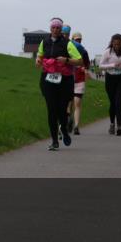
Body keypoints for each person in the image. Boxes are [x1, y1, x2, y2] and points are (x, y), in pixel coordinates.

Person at [36, 18, 82, 151]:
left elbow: (79, 61)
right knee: (51, 110)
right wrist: (38, 61)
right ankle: (54, 141)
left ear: (61, 30)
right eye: (53, 27)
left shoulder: (68, 44)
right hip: (48, 80)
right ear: (50, 29)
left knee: (62, 111)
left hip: (64, 81)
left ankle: (65, 131)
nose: (55, 30)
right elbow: (39, 56)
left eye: (58, 28)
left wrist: (66, 60)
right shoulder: (44, 42)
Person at [97, 34, 121, 135]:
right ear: (112, 43)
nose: (117, 46)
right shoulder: (107, 52)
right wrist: (112, 65)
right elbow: (100, 66)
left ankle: (119, 127)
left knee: (118, 102)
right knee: (113, 103)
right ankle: (112, 124)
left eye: (119, 44)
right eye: (115, 44)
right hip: (110, 79)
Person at [69, 31, 89, 135]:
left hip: (79, 80)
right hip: (68, 80)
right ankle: (69, 119)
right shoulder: (68, 50)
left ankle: (76, 126)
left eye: (80, 40)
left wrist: (85, 68)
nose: (78, 41)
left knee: (77, 103)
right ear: (72, 40)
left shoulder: (83, 51)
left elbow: (87, 64)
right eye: (76, 40)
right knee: (69, 104)